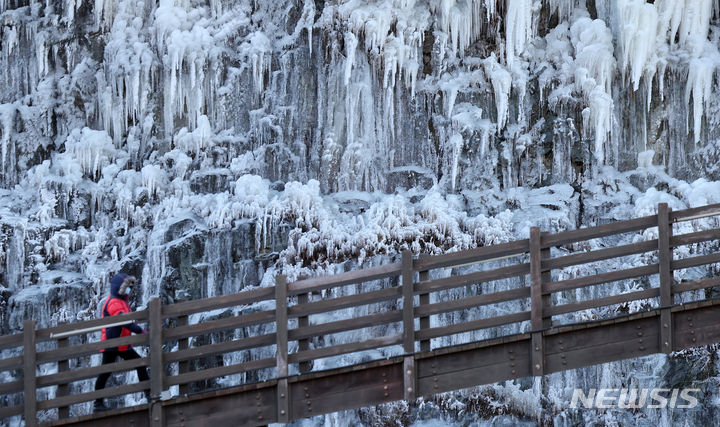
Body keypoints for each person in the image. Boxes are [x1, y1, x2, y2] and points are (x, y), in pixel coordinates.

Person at [94, 273, 149, 413]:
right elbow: (124, 320)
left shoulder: (122, 301)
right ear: (119, 288)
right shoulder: (114, 302)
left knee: (139, 363)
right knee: (105, 372)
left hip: (122, 344)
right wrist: (139, 331)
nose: (129, 291)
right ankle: (97, 403)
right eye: (127, 288)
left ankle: (149, 394)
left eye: (130, 289)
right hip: (112, 344)